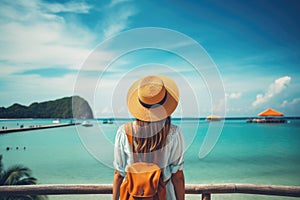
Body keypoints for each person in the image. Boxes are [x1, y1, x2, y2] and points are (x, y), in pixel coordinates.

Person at [113, 75, 185, 200]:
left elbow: (119, 174)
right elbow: (177, 176)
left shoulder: (124, 132)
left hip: (132, 195)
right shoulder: (173, 133)